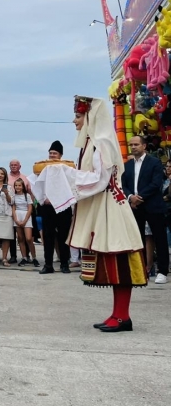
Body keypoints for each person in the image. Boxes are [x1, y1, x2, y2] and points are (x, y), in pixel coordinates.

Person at [68, 96, 146, 332]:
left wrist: (68, 177)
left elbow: (100, 180)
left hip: (111, 209)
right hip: (104, 207)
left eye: (78, 116)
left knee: (119, 262)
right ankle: (117, 313)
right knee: (112, 263)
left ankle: (123, 316)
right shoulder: (93, 143)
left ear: (91, 117)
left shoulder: (102, 143)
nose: (74, 121)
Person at [121, 135, 168, 284]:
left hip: (153, 205)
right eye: (131, 145)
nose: (133, 147)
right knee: (137, 239)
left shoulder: (154, 162)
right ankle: (140, 270)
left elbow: (156, 183)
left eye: (136, 144)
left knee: (159, 239)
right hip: (135, 207)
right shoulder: (127, 165)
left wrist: (139, 197)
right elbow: (123, 184)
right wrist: (130, 197)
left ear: (144, 146)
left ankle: (162, 271)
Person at [37, 141, 73, 275]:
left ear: (60, 155)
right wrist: (43, 197)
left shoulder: (66, 168)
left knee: (64, 236)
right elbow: (38, 185)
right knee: (48, 237)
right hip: (48, 207)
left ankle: (64, 264)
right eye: (50, 153)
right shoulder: (43, 169)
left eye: (55, 153)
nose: (52, 155)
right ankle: (48, 265)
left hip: (63, 207)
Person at [12, 178, 38, 267]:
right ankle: (24, 258)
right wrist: (16, 219)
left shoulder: (27, 195)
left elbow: (30, 208)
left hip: (26, 216)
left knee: (29, 238)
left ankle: (34, 258)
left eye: (19, 185)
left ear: (23, 186)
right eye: (16, 185)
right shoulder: (14, 196)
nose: (17, 187)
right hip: (17, 216)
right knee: (20, 238)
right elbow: (13, 208)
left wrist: (25, 220)